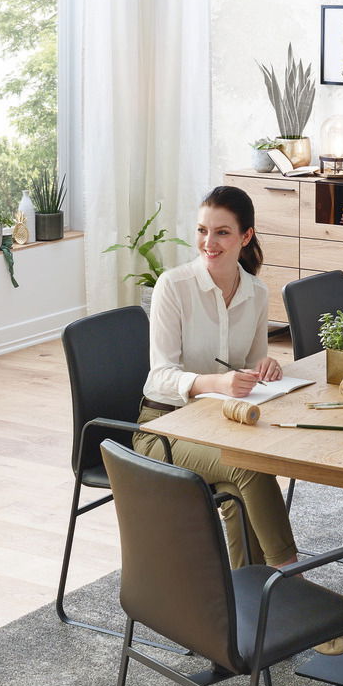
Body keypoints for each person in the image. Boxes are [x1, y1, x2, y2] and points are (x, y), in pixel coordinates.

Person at [131, 185, 298, 569]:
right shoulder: (173, 286)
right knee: (247, 465)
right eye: (203, 230)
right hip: (162, 429)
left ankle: (252, 603)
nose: (209, 242)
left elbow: (252, 364)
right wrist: (217, 383)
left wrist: (266, 367)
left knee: (237, 494)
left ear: (246, 236)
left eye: (222, 232)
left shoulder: (255, 292)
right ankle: (288, 576)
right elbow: (158, 378)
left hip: (216, 424)